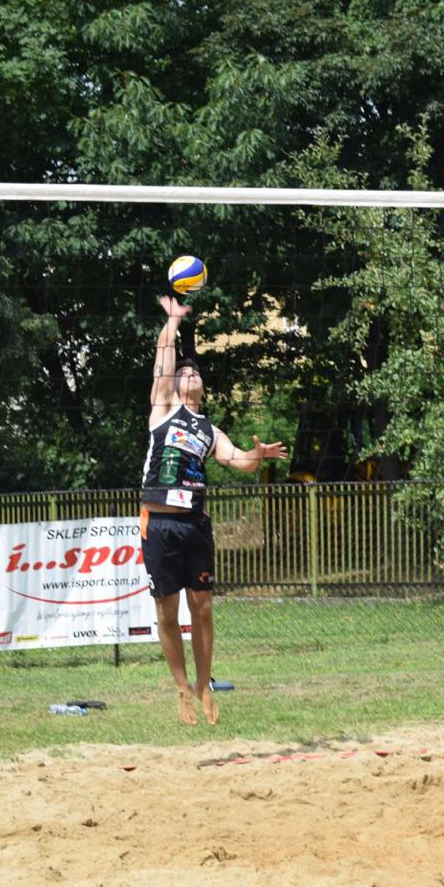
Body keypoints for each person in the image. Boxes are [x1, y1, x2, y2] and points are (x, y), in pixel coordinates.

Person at [141, 295, 288, 725]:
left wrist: (258, 455)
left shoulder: (209, 429)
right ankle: (181, 688)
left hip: (195, 524)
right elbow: (163, 357)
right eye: (183, 372)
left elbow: (239, 461)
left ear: (203, 388)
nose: (188, 374)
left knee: (202, 607)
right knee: (167, 612)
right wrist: (172, 322)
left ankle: (204, 686)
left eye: (195, 373)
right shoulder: (162, 409)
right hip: (159, 523)